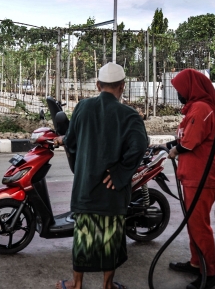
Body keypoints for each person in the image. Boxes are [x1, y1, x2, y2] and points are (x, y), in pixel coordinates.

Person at [54, 62, 148, 289]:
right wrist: (119, 174)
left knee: (83, 238)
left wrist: (62, 140)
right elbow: (140, 146)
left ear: (97, 85)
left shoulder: (83, 107)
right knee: (110, 238)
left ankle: (76, 284)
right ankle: (107, 285)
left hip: (86, 188)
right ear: (122, 87)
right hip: (112, 192)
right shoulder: (129, 115)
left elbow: (72, 139)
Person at [166, 69, 215, 289]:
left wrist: (174, 150)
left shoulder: (201, 109)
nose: (179, 93)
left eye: (180, 89)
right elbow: (185, 140)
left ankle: (209, 275)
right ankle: (195, 263)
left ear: (190, 88)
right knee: (194, 224)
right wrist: (165, 146)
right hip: (193, 176)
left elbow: (188, 143)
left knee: (199, 226)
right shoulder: (195, 108)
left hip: (202, 177)